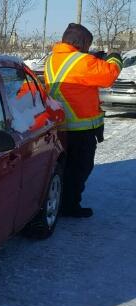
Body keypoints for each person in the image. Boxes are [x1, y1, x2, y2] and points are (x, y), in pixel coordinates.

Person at [44, 23, 123, 218]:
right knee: (79, 169)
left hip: (60, 125)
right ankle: (70, 206)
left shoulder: (53, 59)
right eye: (88, 44)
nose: (89, 48)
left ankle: (60, 202)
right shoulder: (81, 61)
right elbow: (108, 75)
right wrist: (115, 58)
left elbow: (78, 75)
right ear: (81, 43)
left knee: (64, 168)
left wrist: (93, 59)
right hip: (80, 129)